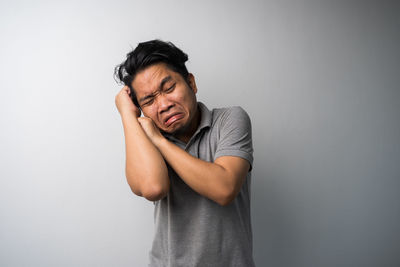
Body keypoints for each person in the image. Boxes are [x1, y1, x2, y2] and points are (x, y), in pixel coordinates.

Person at [114, 39, 255, 267]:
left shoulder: (230, 120)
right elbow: (153, 188)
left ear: (191, 83)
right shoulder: (145, 141)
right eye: (149, 100)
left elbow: (225, 188)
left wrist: (159, 141)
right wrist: (126, 114)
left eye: (169, 88)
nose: (163, 105)